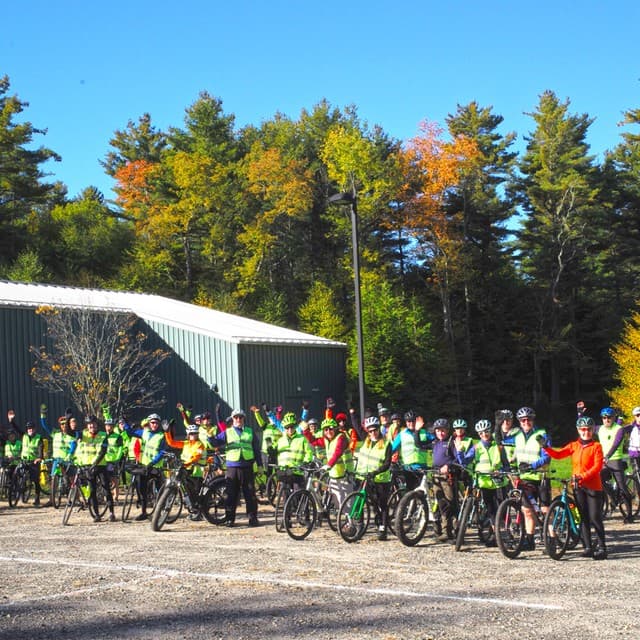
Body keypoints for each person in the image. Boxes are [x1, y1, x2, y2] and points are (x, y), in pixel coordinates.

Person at [543, 416, 607, 559]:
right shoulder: (574, 445)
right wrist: (545, 447)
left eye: (589, 429)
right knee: (583, 517)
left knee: (595, 517)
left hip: (593, 487)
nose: (586, 432)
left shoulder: (596, 446)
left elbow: (597, 467)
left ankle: (602, 548)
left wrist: (582, 476)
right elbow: (558, 455)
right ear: (578, 430)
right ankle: (588, 547)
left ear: (592, 431)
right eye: (583, 430)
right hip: (578, 486)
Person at [210, 408, 262, 527]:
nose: (238, 419)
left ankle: (252, 518)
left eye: (240, 417)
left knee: (250, 494)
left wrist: (259, 465)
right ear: (232, 419)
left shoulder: (250, 431)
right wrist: (210, 437)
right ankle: (230, 519)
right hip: (232, 468)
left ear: (244, 418)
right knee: (231, 495)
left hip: (247, 467)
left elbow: (256, 449)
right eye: (236, 417)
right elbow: (215, 443)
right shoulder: (227, 432)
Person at [508, 406, 551, 551]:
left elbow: (547, 457)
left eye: (529, 419)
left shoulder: (541, 434)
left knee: (545, 510)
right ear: (519, 422)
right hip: (525, 478)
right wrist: (511, 465)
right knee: (527, 510)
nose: (526, 422)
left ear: (533, 420)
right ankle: (530, 540)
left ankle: (551, 539)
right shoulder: (517, 437)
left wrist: (532, 465)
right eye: (523, 420)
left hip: (541, 476)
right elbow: (514, 454)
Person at [123, 413, 167, 521]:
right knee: (141, 488)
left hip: (155, 466)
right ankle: (143, 512)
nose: (154, 425)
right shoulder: (145, 432)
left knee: (159, 489)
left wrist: (153, 462)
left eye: (156, 423)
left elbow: (162, 452)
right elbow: (131, 432)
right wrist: (126, 423)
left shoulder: (162, 435)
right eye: (152, 422)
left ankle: (160, 512)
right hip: (144, 466)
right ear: (149, 423)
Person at [303, 417, 355, 506]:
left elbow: (337, 452)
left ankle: (353, 519)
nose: (328, 432)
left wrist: (329, 465)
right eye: (325, 430)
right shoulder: (327, 439)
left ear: (335, 428)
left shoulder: (341, 438)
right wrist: (306, 430)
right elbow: (313, 441)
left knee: (347, 505)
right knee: (337, 502)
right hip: (334, 473)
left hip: (345, 474)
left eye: (330, 429)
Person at [356, 414, 392, 540]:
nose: (373, 433)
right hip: (365, 477)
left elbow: (387, 463)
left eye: (375, 430)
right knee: (360, 500)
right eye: (370, 431)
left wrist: (376, 472)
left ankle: (383, 528)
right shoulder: (366, 443)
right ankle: (359, 526)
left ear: (378, 429)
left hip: (381, 479)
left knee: (381, 505)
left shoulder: (386, 443)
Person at [472, 419, 508, 545]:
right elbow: (466, 460)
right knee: (491, 510)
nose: (484, 434)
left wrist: (502, 470)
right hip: (484, 483)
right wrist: (459, 453)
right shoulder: (476, 447)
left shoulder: (498, 446)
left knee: (500, 509)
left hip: (499, 483)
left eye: (486, 432)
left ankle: (500, 533)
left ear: (490, 431)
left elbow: (506, 464)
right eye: (481, 433)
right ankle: (494, 536)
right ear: (478, 434)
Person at [596, 406, 633, 523]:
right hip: (604, 461)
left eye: (609, 417)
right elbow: (584, 427)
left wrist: (608, 456)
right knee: (599, 482)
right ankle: (612, 497)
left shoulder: (619, 429)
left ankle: (629, 515)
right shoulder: (600, 429)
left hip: (615, 460)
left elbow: (616, 444)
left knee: (622, 487)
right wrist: (580, 414)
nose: (606, 419)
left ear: (613, 418)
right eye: (604, 417)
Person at [75, 415, 115, 521]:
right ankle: (97, 514)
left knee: (106, 488)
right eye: (90, 424)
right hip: (88, 466)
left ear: (97, 425)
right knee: (92, 491)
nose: (92, 426)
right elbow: (73, 432)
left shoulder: (103, 435)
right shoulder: (83, 434)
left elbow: (103, 451)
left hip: (100, 465)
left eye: (93, 424)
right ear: (87, 426)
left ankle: (111, 513)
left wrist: (95, 463)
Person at [164, 422, 207, 520]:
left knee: (195, 493)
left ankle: (199, 512)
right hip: (186, 469)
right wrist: (167, 432)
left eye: (195, 433)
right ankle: (192, 509)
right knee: (187, 490)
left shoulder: (200, 445)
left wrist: (188, 463)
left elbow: (196, 457)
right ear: (188, 434)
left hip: (196, 471)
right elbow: (172, 443)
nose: (193, 435)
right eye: (191, 433)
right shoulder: (186, 443)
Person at [431, 418, 459, 542]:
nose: (440, 433)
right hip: (436, 476)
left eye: (443, 431)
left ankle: (455, 530)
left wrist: (449, 466)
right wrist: (417, 431)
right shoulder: (435, 443)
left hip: (448, 477)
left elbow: (457, 459)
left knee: (450, 502)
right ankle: (445, 531)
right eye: (438, 431)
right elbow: (419, 444)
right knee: (441, 503)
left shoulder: (451, 442)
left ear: (447, 431)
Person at [390, 410, 432, 491]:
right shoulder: (402, 434)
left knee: (422, 492)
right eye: (409, 421)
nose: (411, 423)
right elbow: (392, 449)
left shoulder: (424, 432)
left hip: (422, 468)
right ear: (406, 422)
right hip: (408, 468)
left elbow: (436, 442)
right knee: (410, 492)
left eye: (413, 421)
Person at [276, 412, 313, 491]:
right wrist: (271, 451)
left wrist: (306, 462)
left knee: (298, 497)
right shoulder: (280, 440)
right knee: (286, 498)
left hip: (297, 472)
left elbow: (309, 452)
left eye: (292, 427)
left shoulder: (302, 439)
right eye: (287, 427)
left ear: (295, 426)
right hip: (284, 472)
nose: (290, 429)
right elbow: (277, 452)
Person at [21, 420, 44, 506]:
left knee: (35, 481)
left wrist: (40, 457)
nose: (30, 430)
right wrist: (11, 421)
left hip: (34, 461)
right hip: (25, 460)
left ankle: (37, 499)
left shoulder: (38, 437)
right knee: (20, 476)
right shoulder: (24, 436)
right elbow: (16, 429)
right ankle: (21, 494)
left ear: (34, 429)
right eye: (28, 428)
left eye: (31, 428)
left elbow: (40, 447)